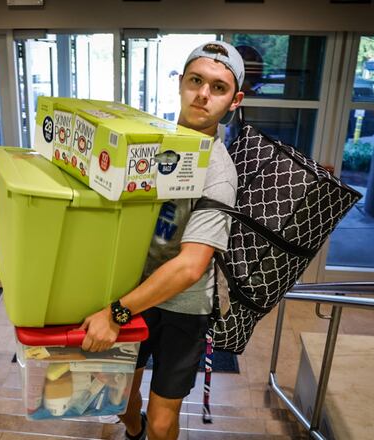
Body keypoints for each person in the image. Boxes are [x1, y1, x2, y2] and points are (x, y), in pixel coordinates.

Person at [79, 42, 245, 440]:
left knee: (163, 420)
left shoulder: (219, 172)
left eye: (218, 88)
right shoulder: (147, 143)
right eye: (195, 81)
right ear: (181, 83)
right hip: (134, 289)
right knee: (123, 401)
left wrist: (115, 313)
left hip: (183, 309)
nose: (203, 94)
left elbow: (191, 267)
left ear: (234, 100)